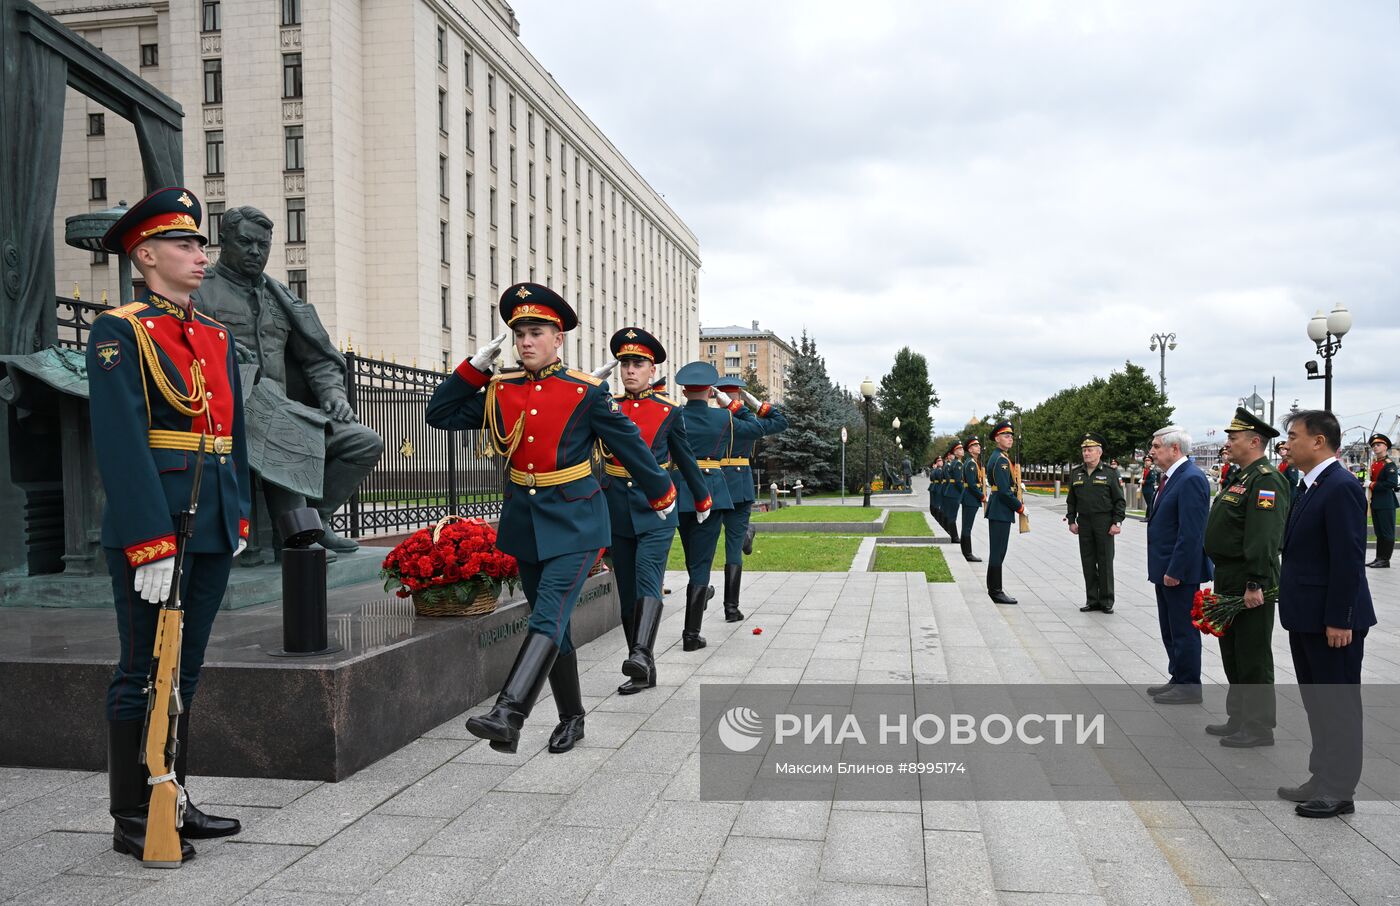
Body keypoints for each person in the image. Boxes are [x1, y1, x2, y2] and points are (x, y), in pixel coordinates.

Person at [425, 283, 676, 754]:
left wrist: (661, 493)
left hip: (578, 520)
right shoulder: (501, 391)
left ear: (557, 338)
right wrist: (473, 370)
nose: (524, 341)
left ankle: (509, 712)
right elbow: (439, 413)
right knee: (553, 623)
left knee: (548, 611)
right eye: (519, 332)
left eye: (535, 332)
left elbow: (630, 446)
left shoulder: (584, 393)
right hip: (526, 521)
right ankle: (572, 717)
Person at [88, 187, 249, 863]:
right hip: (155, 523)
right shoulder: (120, 329)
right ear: (146, 255)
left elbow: (231, 435)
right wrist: (147, 541)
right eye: (185, 244)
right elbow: (121, 441)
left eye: (200, 243)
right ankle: (134, 812)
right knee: (141, 668)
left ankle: (172, 792)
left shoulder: (214, 335)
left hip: (209, 518)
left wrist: (238, 513)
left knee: (186, 670)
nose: (199, 254)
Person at [193, 206, 383, 555]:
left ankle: (317, 519)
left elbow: (317, 358)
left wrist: (332, 395)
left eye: (263, 245)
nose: (255, 252)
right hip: (230, 413)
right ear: (225, 242)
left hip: (286, 410)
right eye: (246, 242)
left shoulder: (280, 297)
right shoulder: (201, 292)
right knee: (285, 436)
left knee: (363, 441)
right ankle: (297, 538)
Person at [602, 329, 713, 696]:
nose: (630, 370)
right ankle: (642, 669)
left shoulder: (668, 411)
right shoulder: (607, 406)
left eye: (638, 364)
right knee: (627, 590)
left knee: (648, 579)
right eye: (625, 363)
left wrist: (701, 498)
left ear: (652, 370)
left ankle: (640, 654)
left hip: (656, 510)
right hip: (617, 509)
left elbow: (684, 458)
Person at [1277, 410, 1376, 818]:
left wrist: (1340, 618)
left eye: (1294, 436)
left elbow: (1348, 559)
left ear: (1319, 441)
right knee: (1317, 703)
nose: (1288, 443)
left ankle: (1339, 789)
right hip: (1307, 617)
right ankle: (1321, 776)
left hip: (1332, 621)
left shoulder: (1340, 486)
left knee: (1338, 705)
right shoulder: (1309, 485)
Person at [1201, 408, 1290, 747]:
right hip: (1229, 574)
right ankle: (1238, 716)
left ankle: (1258, 727)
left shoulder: (1265, 478)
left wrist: (1256, 582)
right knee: (1232, 650)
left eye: (1233, 438)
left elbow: (1264, 535)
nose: (1228, 443)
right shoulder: (1241, 476)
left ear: (1254, 442)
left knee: (1252, 654)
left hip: (1249, 578)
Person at [1145, 425, 1212, 704]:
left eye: (1157, 446)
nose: (1152, 451)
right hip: (1165, 569)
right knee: (1170, 627)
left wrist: (1176, 570)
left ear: (1175, 449)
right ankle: (1178, 676)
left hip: (1179, 572)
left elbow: (1191, 532)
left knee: (1183, 629)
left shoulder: (1191, 479)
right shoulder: (1171, 477)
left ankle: (1189, 685)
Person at [711, 376, 788, 620]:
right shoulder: (750, 423)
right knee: (733, 546)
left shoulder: (710, 420)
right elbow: (780, 421)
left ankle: (701, 592)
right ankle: (731, 609)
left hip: (713, 484)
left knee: (704, 544)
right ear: (738, 397)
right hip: (740, 485)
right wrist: (757, 405)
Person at [1065, 432, 1126, 613]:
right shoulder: (1077, 473)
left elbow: (1119, 501)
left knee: (1105, 561)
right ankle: (1092, 599)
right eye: (1084, 450)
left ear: (1099, 452)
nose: (1086, 453)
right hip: (1084, 522)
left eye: (1090, 450)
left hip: (1104, 522)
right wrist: (1071, 520)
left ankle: (1106, 600)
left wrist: (1117, 522)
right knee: (1088, 561)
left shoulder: (1109, 473)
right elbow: (1071, 500)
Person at [984, 421, 1024, 604]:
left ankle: (993, 588)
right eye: (1006, 436)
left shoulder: (1000, 457)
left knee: (998, 550)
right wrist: (1020, 506)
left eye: (1011, 436)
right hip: (1000, 508)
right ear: (997, 438)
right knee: (998, 551)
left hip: (999, 509)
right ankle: (996, 591)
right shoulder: (1001, 460)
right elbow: (1004, 490)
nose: (1010, 439)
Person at [1366, 433, 1397, 568]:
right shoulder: (1375, 464)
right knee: (1379, 532)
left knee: (1387, 532)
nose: (1375, 448)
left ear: (1385, 447)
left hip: (1386, 502)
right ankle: (1379, 558)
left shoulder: (1389, 464)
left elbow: (1391, 483)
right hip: (1376, 502)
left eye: (1378, 445)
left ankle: (1385, 560)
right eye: (1373, 446)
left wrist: (1372, 484)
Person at [959, 435, 985, 562]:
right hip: (970, 498)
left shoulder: (973, 462)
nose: (978, 447)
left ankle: (965, 552)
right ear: (970, 450)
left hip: (969, 498)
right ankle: (968, 554)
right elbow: (972, 484)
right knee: (967, 527)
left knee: (966, 526)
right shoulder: (971, 464)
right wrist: (982, 496)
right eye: (975, 445)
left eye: (978, 445)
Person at [943, 441, 964, 543]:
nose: (962, 450)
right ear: (955, 452)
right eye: (959, 449)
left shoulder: (955, 462)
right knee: (952, 516)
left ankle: (952, 535)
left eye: (962, 448)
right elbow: (958, 481)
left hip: (951, 491)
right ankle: (954, 537)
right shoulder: (958, 464)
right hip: (954, 492)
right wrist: (963, 493)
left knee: (951, 515)